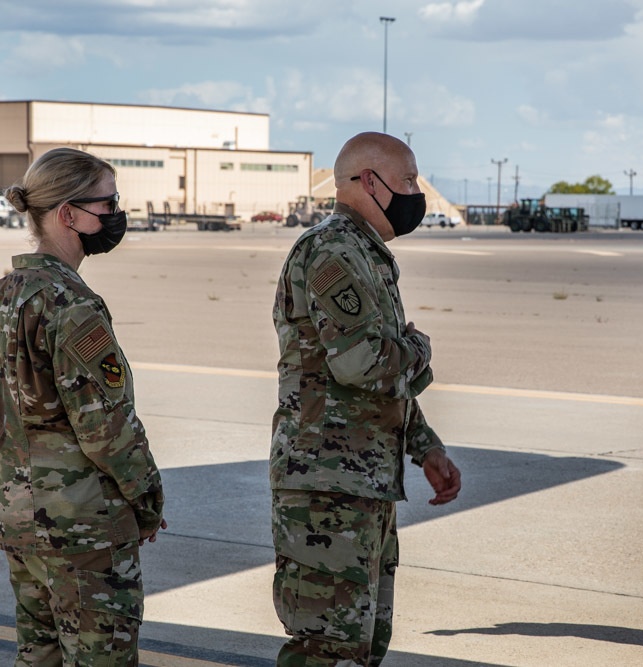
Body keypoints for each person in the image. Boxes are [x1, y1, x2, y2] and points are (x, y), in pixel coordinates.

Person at [270, 132, 462, 666]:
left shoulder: (365, 254)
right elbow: (361, 364)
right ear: (370, 183)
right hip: (326, 486)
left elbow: (382, 375)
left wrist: (426, 447)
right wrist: (419, 347)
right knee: (326, 649)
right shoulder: (332, 251)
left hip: (360, 480)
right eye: (408, 181)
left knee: (361, 647)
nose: (415, 193)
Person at [0, 147, 166, 665]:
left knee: (39, 655)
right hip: (83, 528)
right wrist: (147, 498)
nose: (116, 214)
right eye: (109, 201)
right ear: (68, 214)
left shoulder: (7, 294)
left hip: (20, 521)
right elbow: (106, 429)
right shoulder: (72, 306)